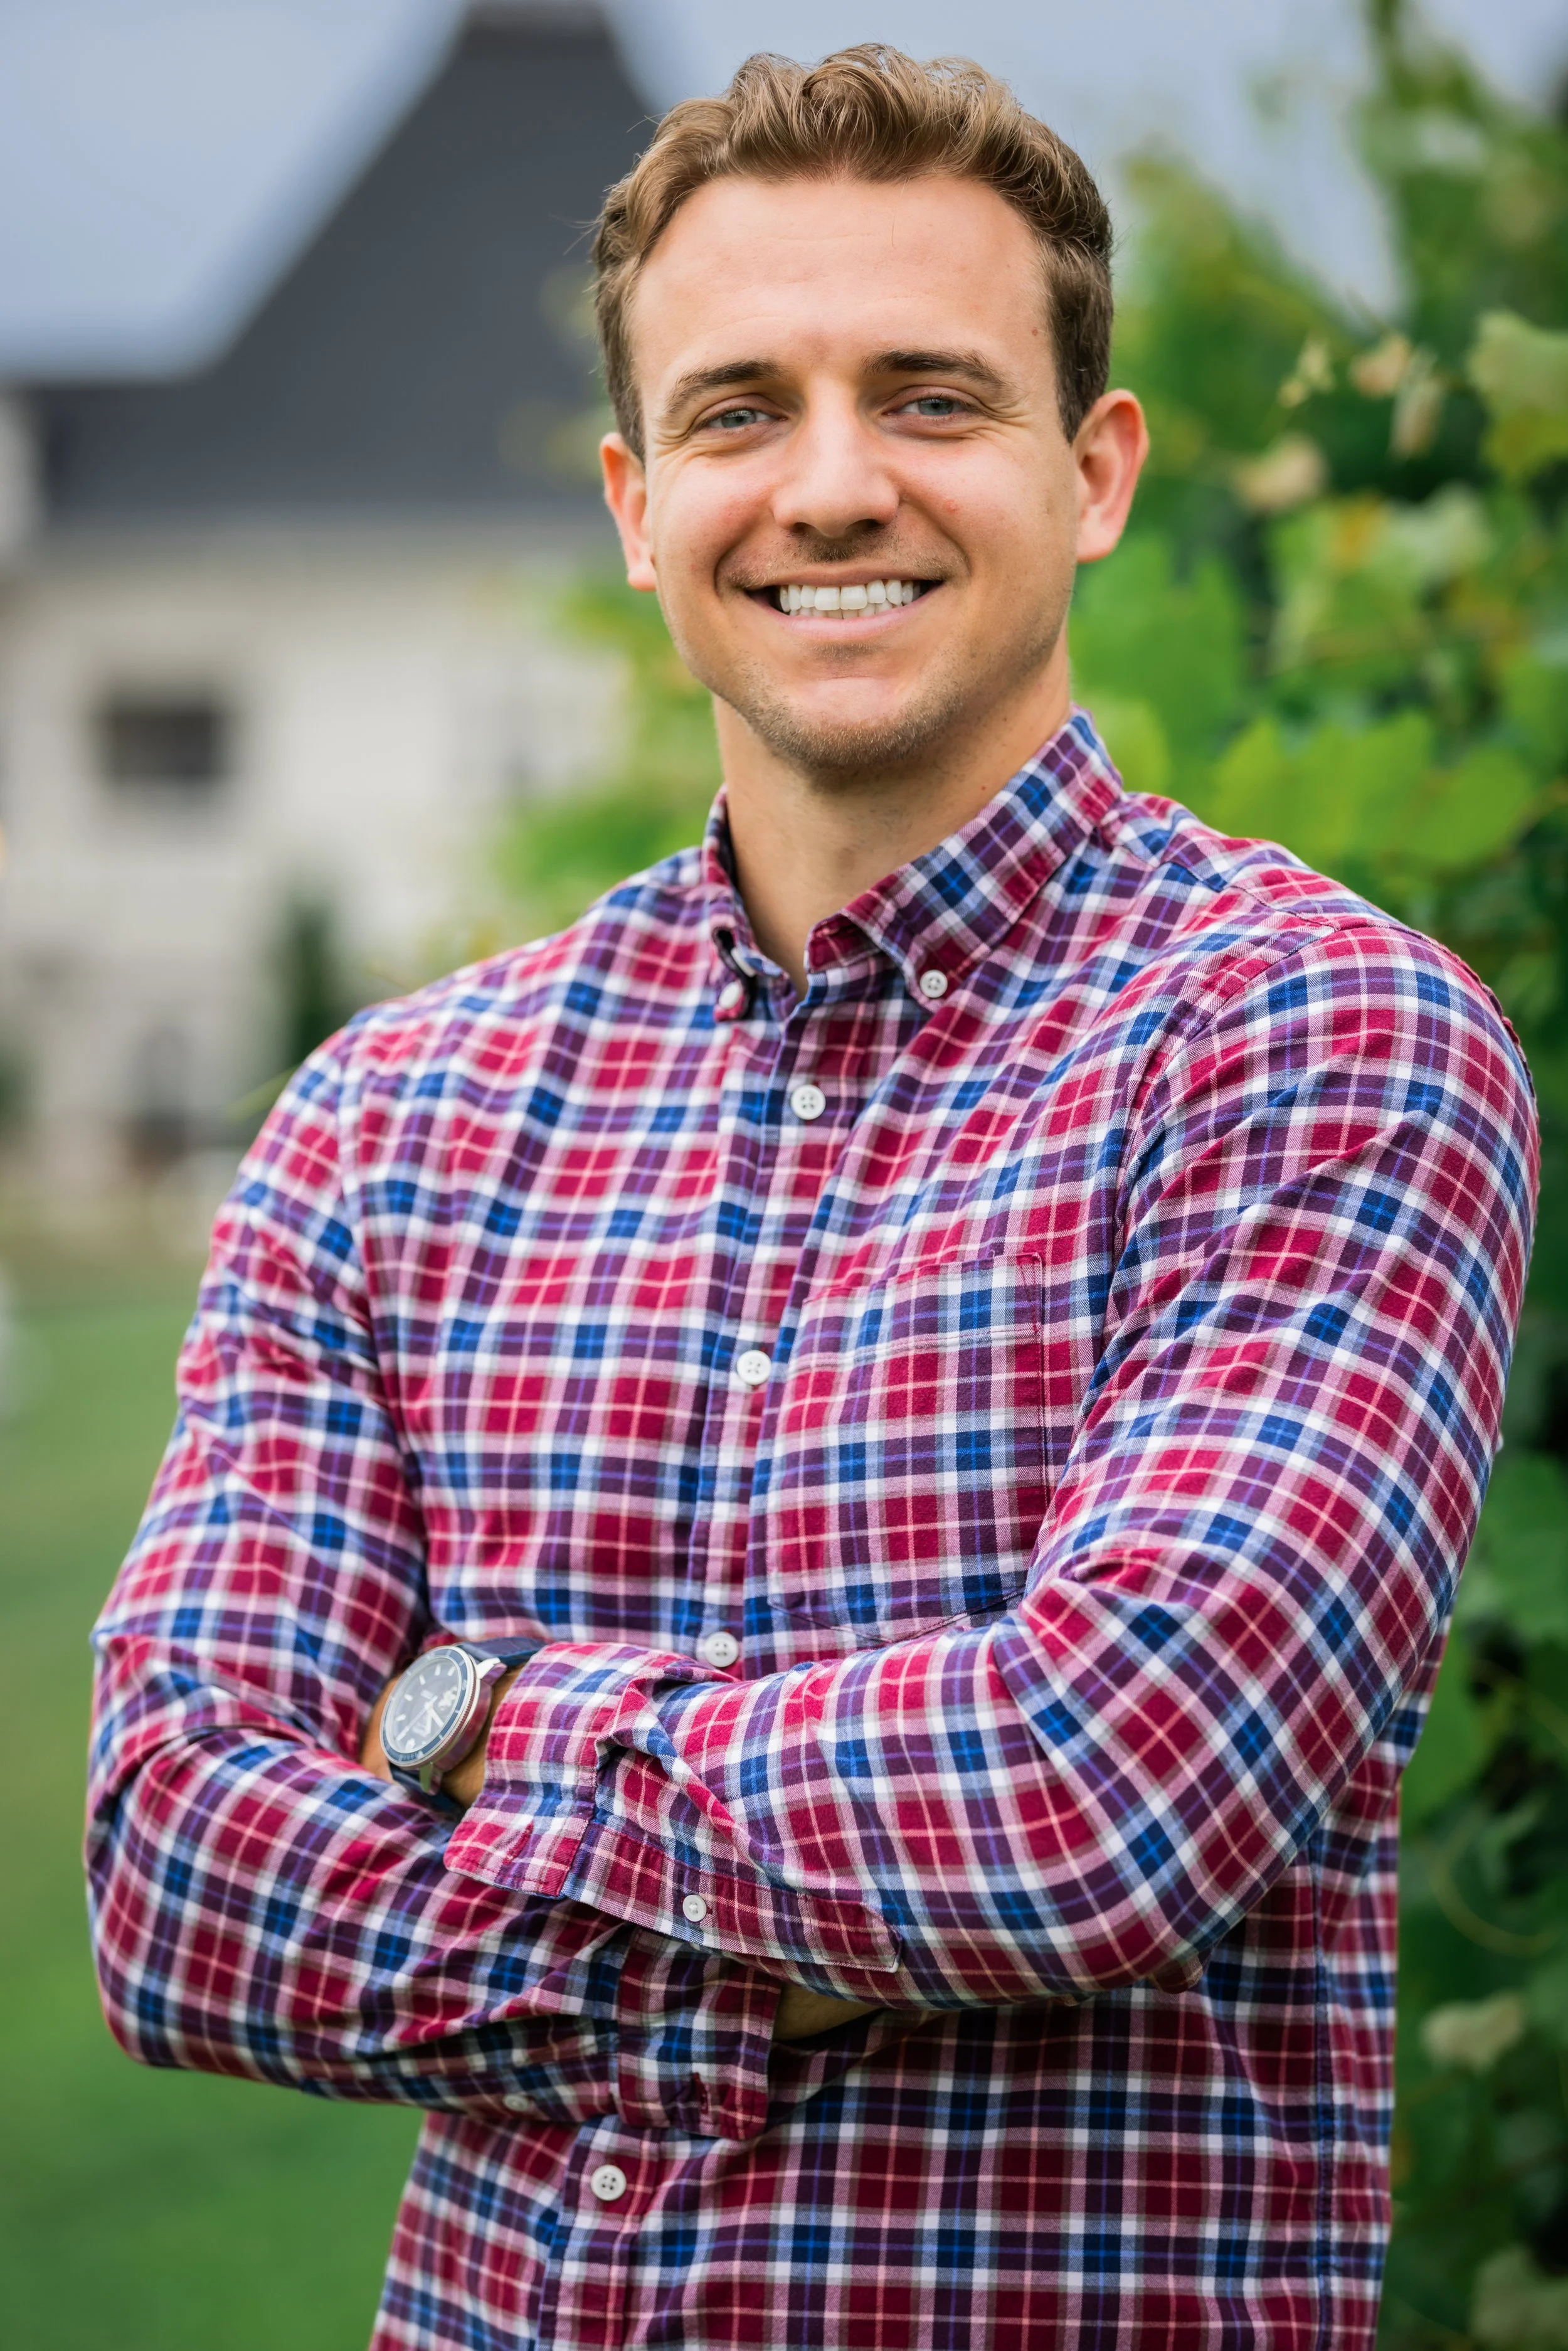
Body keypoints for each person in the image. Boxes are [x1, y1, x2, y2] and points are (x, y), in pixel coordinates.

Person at [87, 44, 1537, 2351]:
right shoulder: (393, 1116)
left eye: (932, 396)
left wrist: (477, 1724)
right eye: (741, 409)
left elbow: (1097, 1789)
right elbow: (176, 1883)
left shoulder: (1314, 1045)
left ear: (1094, 472)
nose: (831, 486)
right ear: (634, 498)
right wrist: (782, 1947)